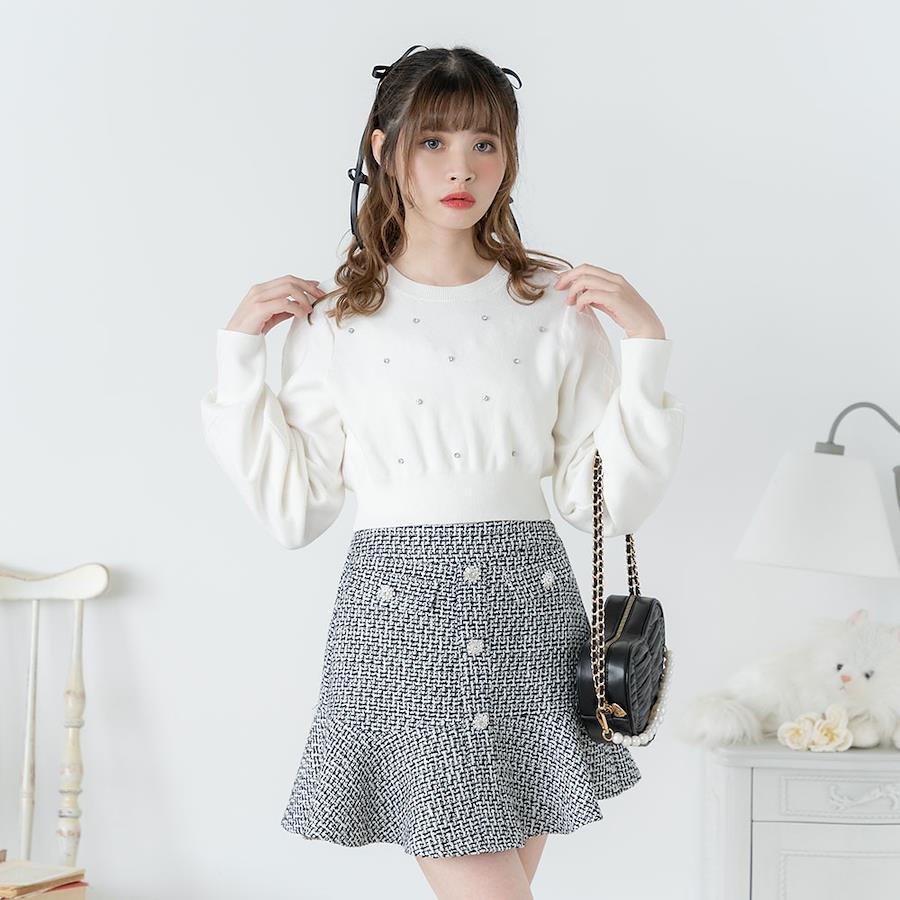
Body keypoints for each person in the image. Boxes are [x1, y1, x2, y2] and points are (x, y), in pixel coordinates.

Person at [200, 44, 685, 900]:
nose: (462, 168)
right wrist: (240, 360)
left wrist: (645, 345)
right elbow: (295, 512)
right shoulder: (336, 321)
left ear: (509, 156)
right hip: (402, 620)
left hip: (535, 614)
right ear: (383, 149)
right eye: (433, 142)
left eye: (483, 143)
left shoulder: (553, 304)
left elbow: (604, 502)